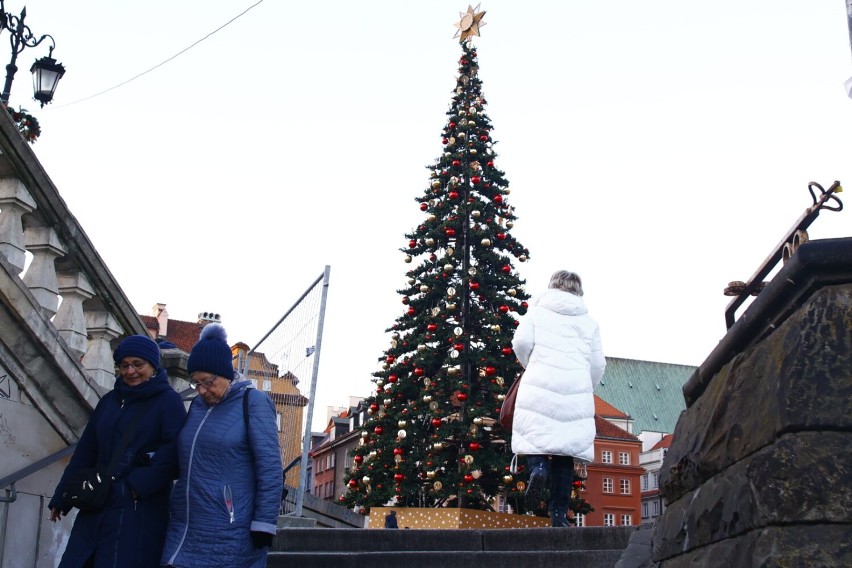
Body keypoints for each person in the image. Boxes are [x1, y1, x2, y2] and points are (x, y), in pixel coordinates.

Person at [48, 334, 186, 567]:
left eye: (137, 364)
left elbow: (174, 453)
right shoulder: (109, 401)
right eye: (124, 365)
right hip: (97, 502)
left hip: (138, 511)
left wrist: (134, 487)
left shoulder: (168, 402)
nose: (130, 371)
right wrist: (62, 496)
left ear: (152, 365)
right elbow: (86, 451)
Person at [161, 323, 282, 568]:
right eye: (196, 383)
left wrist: (264, 523)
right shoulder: (196, 406)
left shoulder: (254, 402)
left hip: (229, 529)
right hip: (185, 526)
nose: (202, 390)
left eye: (207, 381)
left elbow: (270, 468)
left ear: (224, 373)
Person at [510, 270, 606, 527]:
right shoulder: (589, 322)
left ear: (552, 287)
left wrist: (532, 365)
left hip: (539, 381)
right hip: (575, 389)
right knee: (565, 454)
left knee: (535, 439)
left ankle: (538, 470)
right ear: (578, 291)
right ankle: (559, 515)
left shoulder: (537, 313)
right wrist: (585, 384)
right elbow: (598, 365)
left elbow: (519, 343)